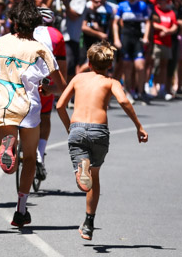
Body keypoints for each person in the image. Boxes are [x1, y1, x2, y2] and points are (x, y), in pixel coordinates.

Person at [0, 0, 66, 227]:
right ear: (35, 25)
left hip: (3, 105)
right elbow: (61, 85)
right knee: (30, 159)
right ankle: (21, 210)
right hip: (29, 106)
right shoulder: (41, 49)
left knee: (9, 164)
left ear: (14, 22)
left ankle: (7, 146)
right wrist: (47, 89)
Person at [56, 41, 148, 241]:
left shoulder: (78, 78)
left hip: (78, 128)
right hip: (99, 132)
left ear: (88, 62)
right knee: (94, 177)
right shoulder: (111, 82)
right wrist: (138, 126)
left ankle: (81, 168)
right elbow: (124, 101)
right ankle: (88, 224)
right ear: (109, 65)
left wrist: (69, 127)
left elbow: (60, 105)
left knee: (85, 172)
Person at [33, 7, 68, 179]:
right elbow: (62, 70)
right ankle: (39, 152)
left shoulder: (22, 31)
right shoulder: (56, 35)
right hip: (44, 80)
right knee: (45, 116)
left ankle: (15, 144)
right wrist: (56, 89)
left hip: (21, 79)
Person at [113, 0, 152, 102]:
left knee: (140, 66)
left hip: (137, 39)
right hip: (125, 38)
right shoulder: (122, 6)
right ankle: (129, 92)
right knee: (127, 66)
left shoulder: (142, 5)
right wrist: (116, 39)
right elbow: (115, 23)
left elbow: (148, 22)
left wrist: (146, 37)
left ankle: (141, 92)